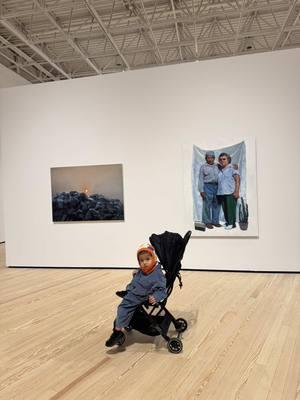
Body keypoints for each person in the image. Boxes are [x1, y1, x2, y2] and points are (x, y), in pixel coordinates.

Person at [105, 244, 167, 347]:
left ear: (154, 258)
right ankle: (128, 292)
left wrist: (156, 297)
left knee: (123, 308)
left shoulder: (157, 275)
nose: (144, 263)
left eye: (147, 259)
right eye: (141, 261)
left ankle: (117, 332)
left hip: (139, 296)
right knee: (134, 279)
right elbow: (141, 279)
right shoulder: (146, 271)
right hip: (136, 290)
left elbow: (162, 290)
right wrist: (136, 273)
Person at [198, 151, 221, 229]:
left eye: (212, 157)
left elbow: (226, 167)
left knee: (217, 204)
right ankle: (207, 222)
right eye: (208, 157)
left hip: (217, 187)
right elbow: (200, 179)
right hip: (207, 187)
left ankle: (215, 221)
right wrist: (201, 190)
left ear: (214, 158)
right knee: (207, 205)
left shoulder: (218, 166)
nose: (210, 159)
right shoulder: (203, 167)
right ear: (206, 158)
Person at [217, 152, 240, 230]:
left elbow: (237, 180)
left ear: (228, 160)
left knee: (231, 209)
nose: (222, 160)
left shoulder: (232, 168)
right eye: (220, 159)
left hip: (230, 192)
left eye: (224, 159)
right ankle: (228, 222)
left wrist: (236, 191)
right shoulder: (220, 169)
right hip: (222, 192)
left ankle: (231, 224)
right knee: (225, 208)